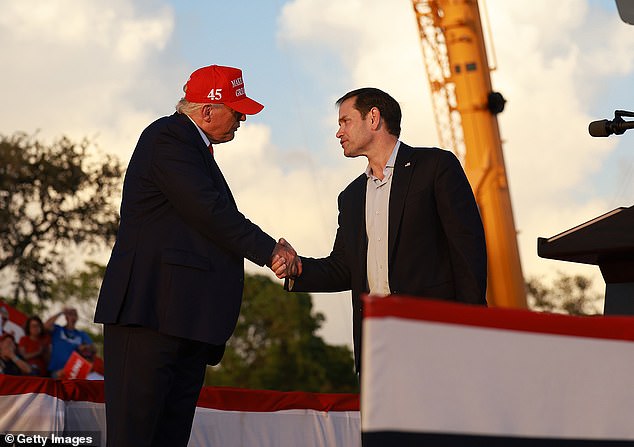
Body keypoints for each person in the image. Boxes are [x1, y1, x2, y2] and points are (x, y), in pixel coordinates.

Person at [93, 64, 300, 447]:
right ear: (206, 110)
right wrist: (269, 249)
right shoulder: (167, 138)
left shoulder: (192, 149)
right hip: (150, 316)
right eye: (237, 111)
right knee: (136, 436)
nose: (241, 119)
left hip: (181, 320)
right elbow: (208, 211)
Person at [280, 87, 487, 373]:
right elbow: (344, 268)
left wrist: (474, 326)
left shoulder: (436, 167)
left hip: (437, 335)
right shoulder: (351, 197)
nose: (338, 133)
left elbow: (468, 249)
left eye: (345, 121)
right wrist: (297, 269)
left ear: (373, 118)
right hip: (377, 345)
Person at [44, 307, 93, 378]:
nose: (73, 317)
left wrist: (85, 347)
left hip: (74, 371)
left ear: (77, 318)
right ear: (66, 317)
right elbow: (46, 326)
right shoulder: (58, 330)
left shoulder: (81, 334)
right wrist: (61, 312)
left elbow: (93, 348)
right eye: (70, 314)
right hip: (56, 371)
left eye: (75, 315)